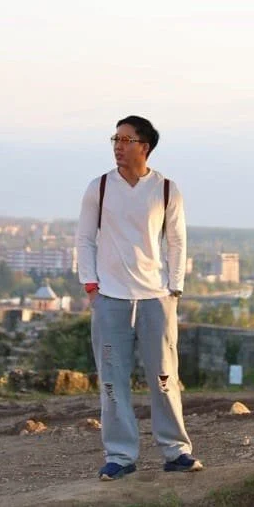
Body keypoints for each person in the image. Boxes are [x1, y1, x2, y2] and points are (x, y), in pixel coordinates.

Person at [76, 115, 203, 482]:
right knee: (112, 382)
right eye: (115, 138)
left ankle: (176, 450)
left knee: (164, 377)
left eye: (126, 139)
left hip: (156, 298)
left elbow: (177, 242)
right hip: (110, 299)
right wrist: (91, 286)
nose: (118, 145)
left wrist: (174, 289)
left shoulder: (166, 190)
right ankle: (120, 455)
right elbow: (85, 239)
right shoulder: (99, 187)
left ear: (144, 146)